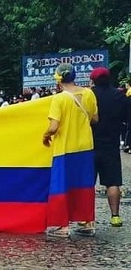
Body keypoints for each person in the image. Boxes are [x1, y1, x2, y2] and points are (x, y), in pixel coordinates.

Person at [42, 63, 98, 238]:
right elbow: (95, 118)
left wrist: (45, 135)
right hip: (86, 146)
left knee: (62, 186)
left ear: (58, 80)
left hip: (65, 148)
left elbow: (53, 127)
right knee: (84, 185)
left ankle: (63, 226)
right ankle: (88, 223)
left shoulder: (59, 99)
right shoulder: (88, 93)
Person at [89, 67, 126, 227]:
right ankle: (115, 216)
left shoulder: (88, 95)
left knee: (87, 183)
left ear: (93, 80)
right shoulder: (119, 95)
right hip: (111, 144)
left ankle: (86, 218)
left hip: (89, 144)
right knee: (113, 182)